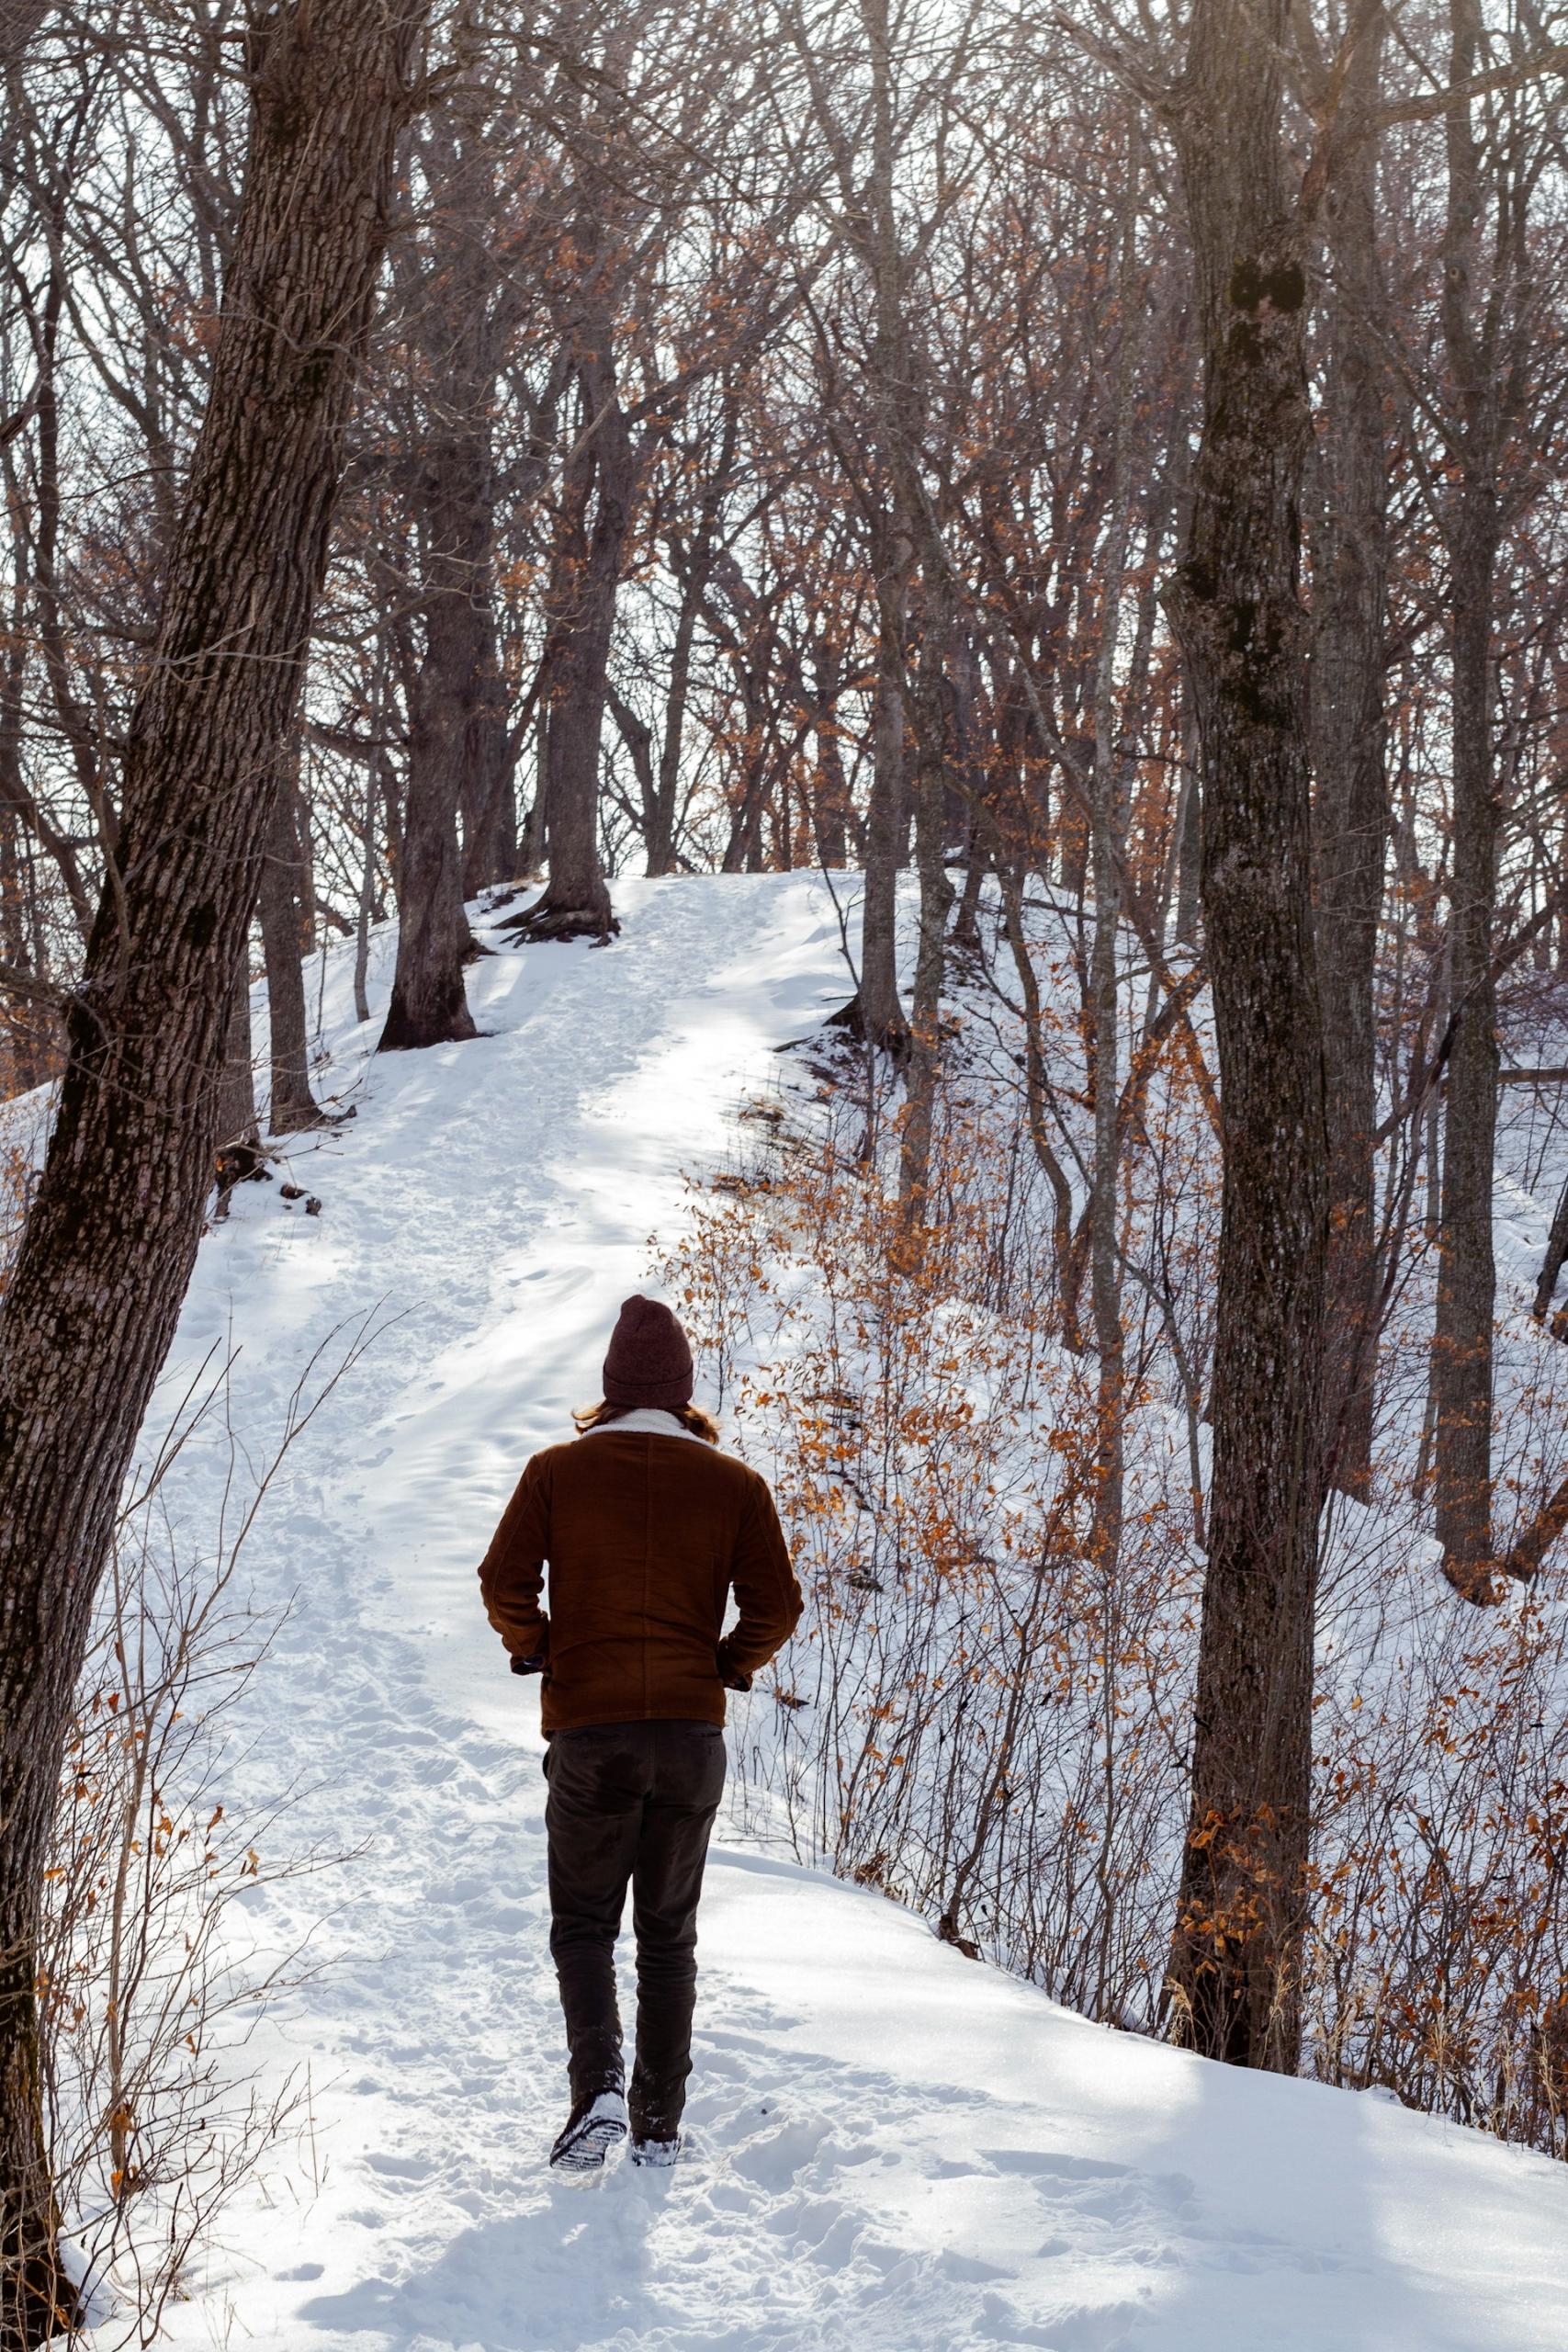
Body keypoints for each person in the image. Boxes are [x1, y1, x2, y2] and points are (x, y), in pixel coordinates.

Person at [478, 1295, 803, 2174]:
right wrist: (726, 1667)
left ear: (612, 1388)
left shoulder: (556, 1471)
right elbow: (777, 1609)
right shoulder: (735, 1484)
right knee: (669, 1936)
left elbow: (502, 1584)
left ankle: (599, 2096)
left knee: (584, 1927)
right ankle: (658, 2126)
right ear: (685, 1390)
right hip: (690, 1740)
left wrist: (543, 1648)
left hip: (590, 1732)